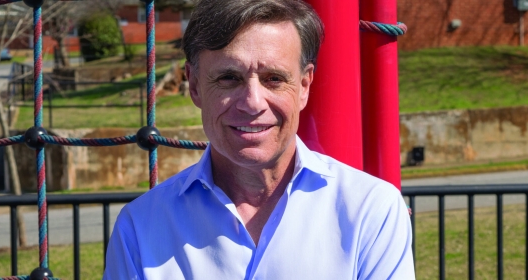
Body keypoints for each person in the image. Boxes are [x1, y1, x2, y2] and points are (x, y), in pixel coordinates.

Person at [103, 0, 415, 279]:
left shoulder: (371, 211)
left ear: (304, 86)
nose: (253, 102)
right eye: (229, 78)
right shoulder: (140, 228)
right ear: (195, 86)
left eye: (274, 79)